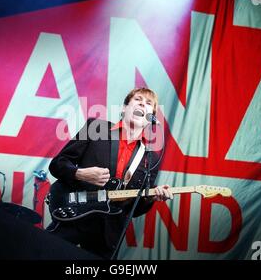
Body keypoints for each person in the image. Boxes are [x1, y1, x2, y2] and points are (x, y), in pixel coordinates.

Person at [47, 87, 173, 259]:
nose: (143, 104)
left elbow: (134, 209)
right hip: (74, 214)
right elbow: (57, 164)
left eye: (148, 103)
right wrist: (80, 173)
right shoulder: (96, 128)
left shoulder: (150, 158)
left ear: (151, 117)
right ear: (124, 108)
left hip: (107, 234)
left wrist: (150, 198)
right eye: (138, 100)